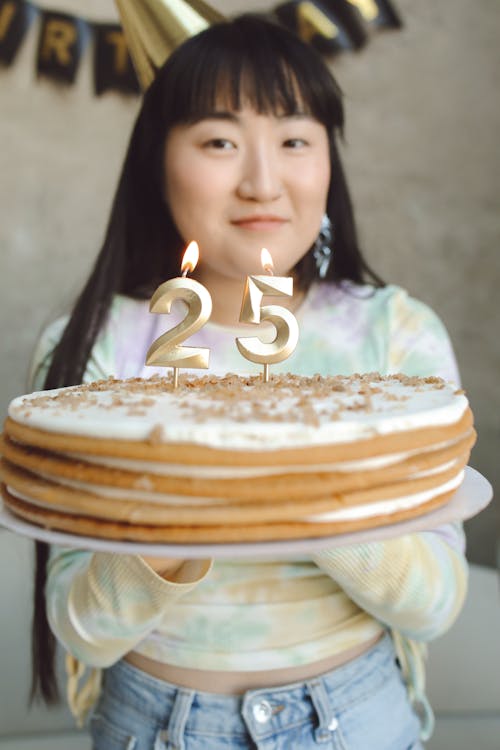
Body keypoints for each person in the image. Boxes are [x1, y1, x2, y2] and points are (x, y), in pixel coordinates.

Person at [29, 14, 467, 750]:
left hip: (359, 720)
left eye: (295, 140)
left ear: (329, 161)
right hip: (153, 725)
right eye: (219, 142)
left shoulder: (395, 338)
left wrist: (292, 483)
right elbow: (82, 629)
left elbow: (435, 604)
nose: (263, 181)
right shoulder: (101, 348)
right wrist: (188, 503)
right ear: (156, 163)